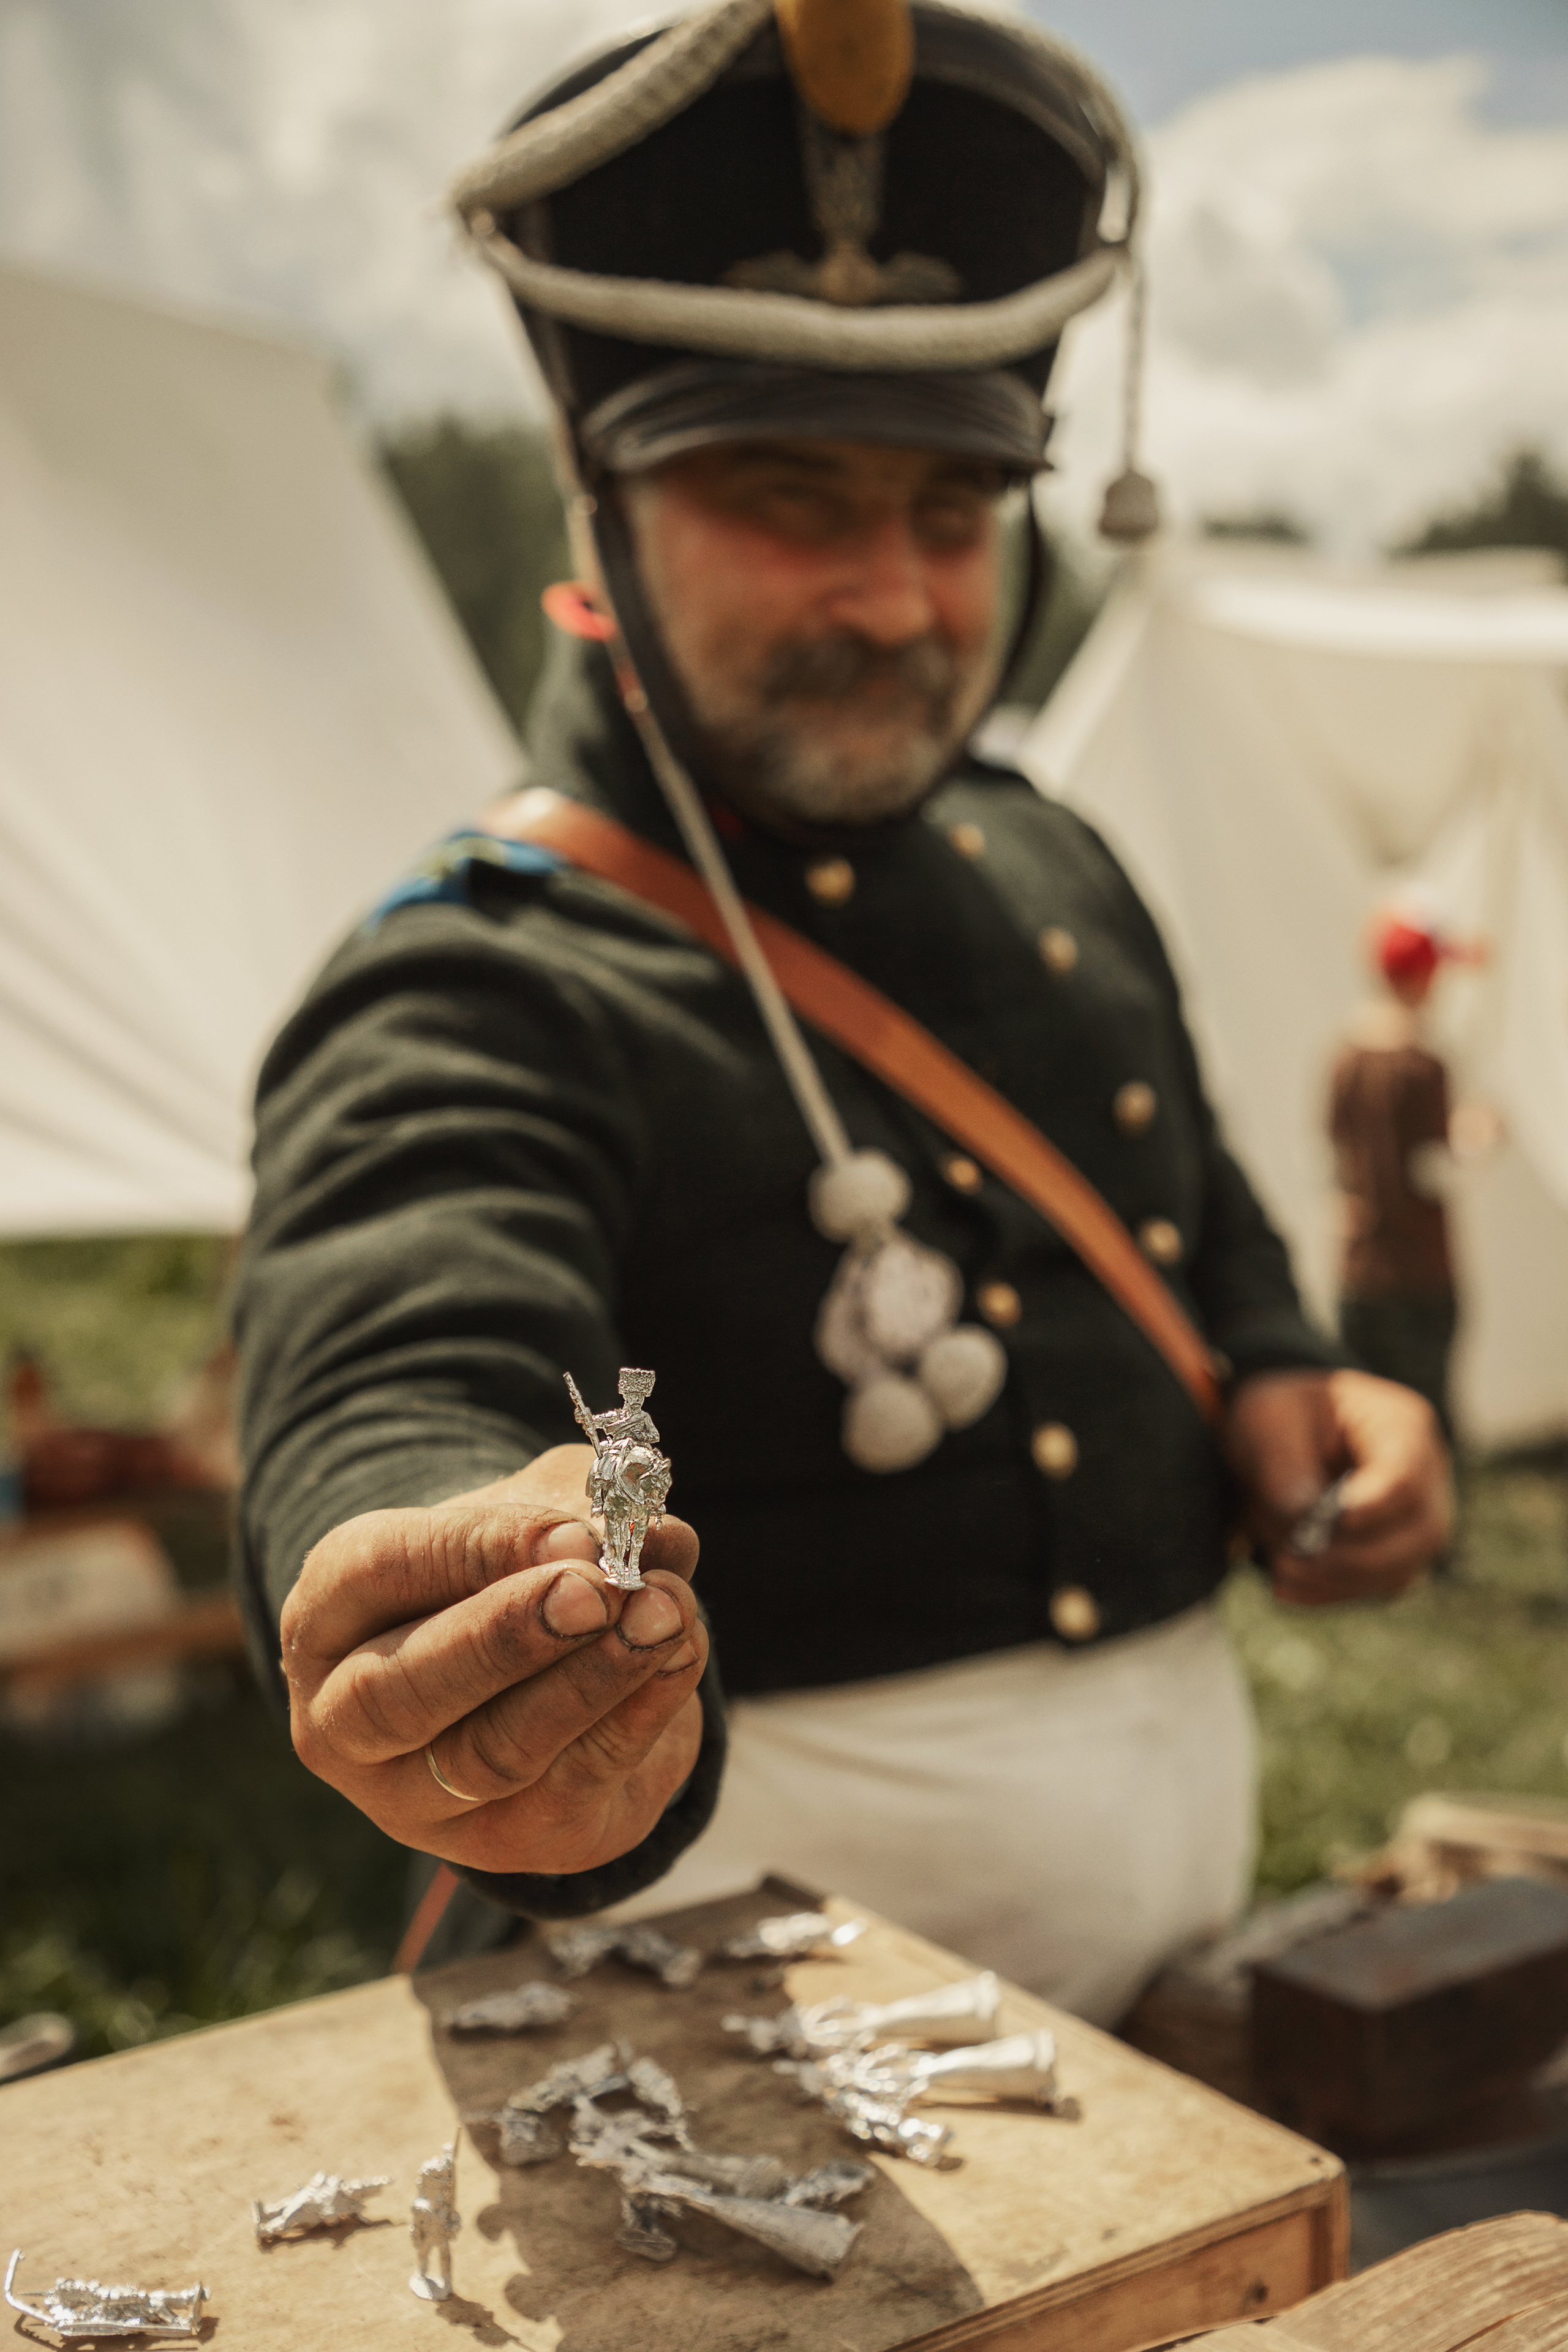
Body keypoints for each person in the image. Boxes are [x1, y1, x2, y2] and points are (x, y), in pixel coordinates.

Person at [234, 0, 1449, 2024]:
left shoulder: (1050, 855)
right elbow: (399, 1361)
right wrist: (442, 1594)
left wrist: (1290, 1372)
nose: (898, 597)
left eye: (956, 512)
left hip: (1185, 1994)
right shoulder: (474, 979)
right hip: (735, 2069)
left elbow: (1201, 1202)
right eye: (794, 495)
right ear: (597, 516)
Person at [1330, 901, 1494, 1446]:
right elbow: (1431, 1171)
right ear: (1424, 979)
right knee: (1427, 1428)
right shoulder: (1421, 1068)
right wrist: (1478, 1137)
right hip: (1419, 1273)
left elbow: (1335, 1149)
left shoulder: (1346, 1059)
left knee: (1369, 1431)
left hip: (1359, 1269)